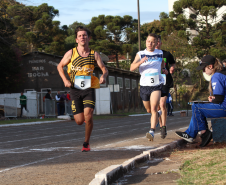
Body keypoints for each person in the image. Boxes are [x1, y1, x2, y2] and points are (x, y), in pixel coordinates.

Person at [57, 26, 108, 152]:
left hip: (88, 89)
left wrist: (103, 76)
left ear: (89, 38)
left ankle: (86, 143)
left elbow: (104, 69)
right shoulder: (71, 53)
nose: (82, 37)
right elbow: (60, 66)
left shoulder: (94, 54)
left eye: (84, 35)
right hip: (75, 89)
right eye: (80, 36)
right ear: (76, 39)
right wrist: (65, 80)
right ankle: (85, 121)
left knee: (89, 115)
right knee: (79, 121)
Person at [175, 55, 226, 147]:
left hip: (224, 108)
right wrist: (212, 100)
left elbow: (219, 99)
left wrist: (211, 101)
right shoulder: (222, 73)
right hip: (223, 105)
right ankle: (190, 134)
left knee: (196, 107)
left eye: (204, 69)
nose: (204, 71)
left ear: (210, 66)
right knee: (198, 107)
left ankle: (204, 133)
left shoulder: (217, 76)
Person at [130, 33, 168, 142]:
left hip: (156, 85)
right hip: (144, 85)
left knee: (154, 107)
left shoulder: (160, 53)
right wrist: (140, 62)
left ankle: (151, 131)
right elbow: (131, 67)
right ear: (146, 41)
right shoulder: (140, 54)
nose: (150, 43)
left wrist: (164, 70)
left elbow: (162, 64)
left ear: (156, 43)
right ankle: (159, 114)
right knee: (149, 110)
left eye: (152, 42)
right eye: (148, 41)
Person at [155, 35, 176, 139]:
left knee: (162, 104)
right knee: (157, 107)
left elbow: (173, 63)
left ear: (161, 43)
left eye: (159, 42)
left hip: (165, 81)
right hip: (154, 82)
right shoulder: (149, 55)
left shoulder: (167, 54)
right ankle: (161, 125)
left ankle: (164, 126)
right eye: (155, 41)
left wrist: (172, 68)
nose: (157, 43)